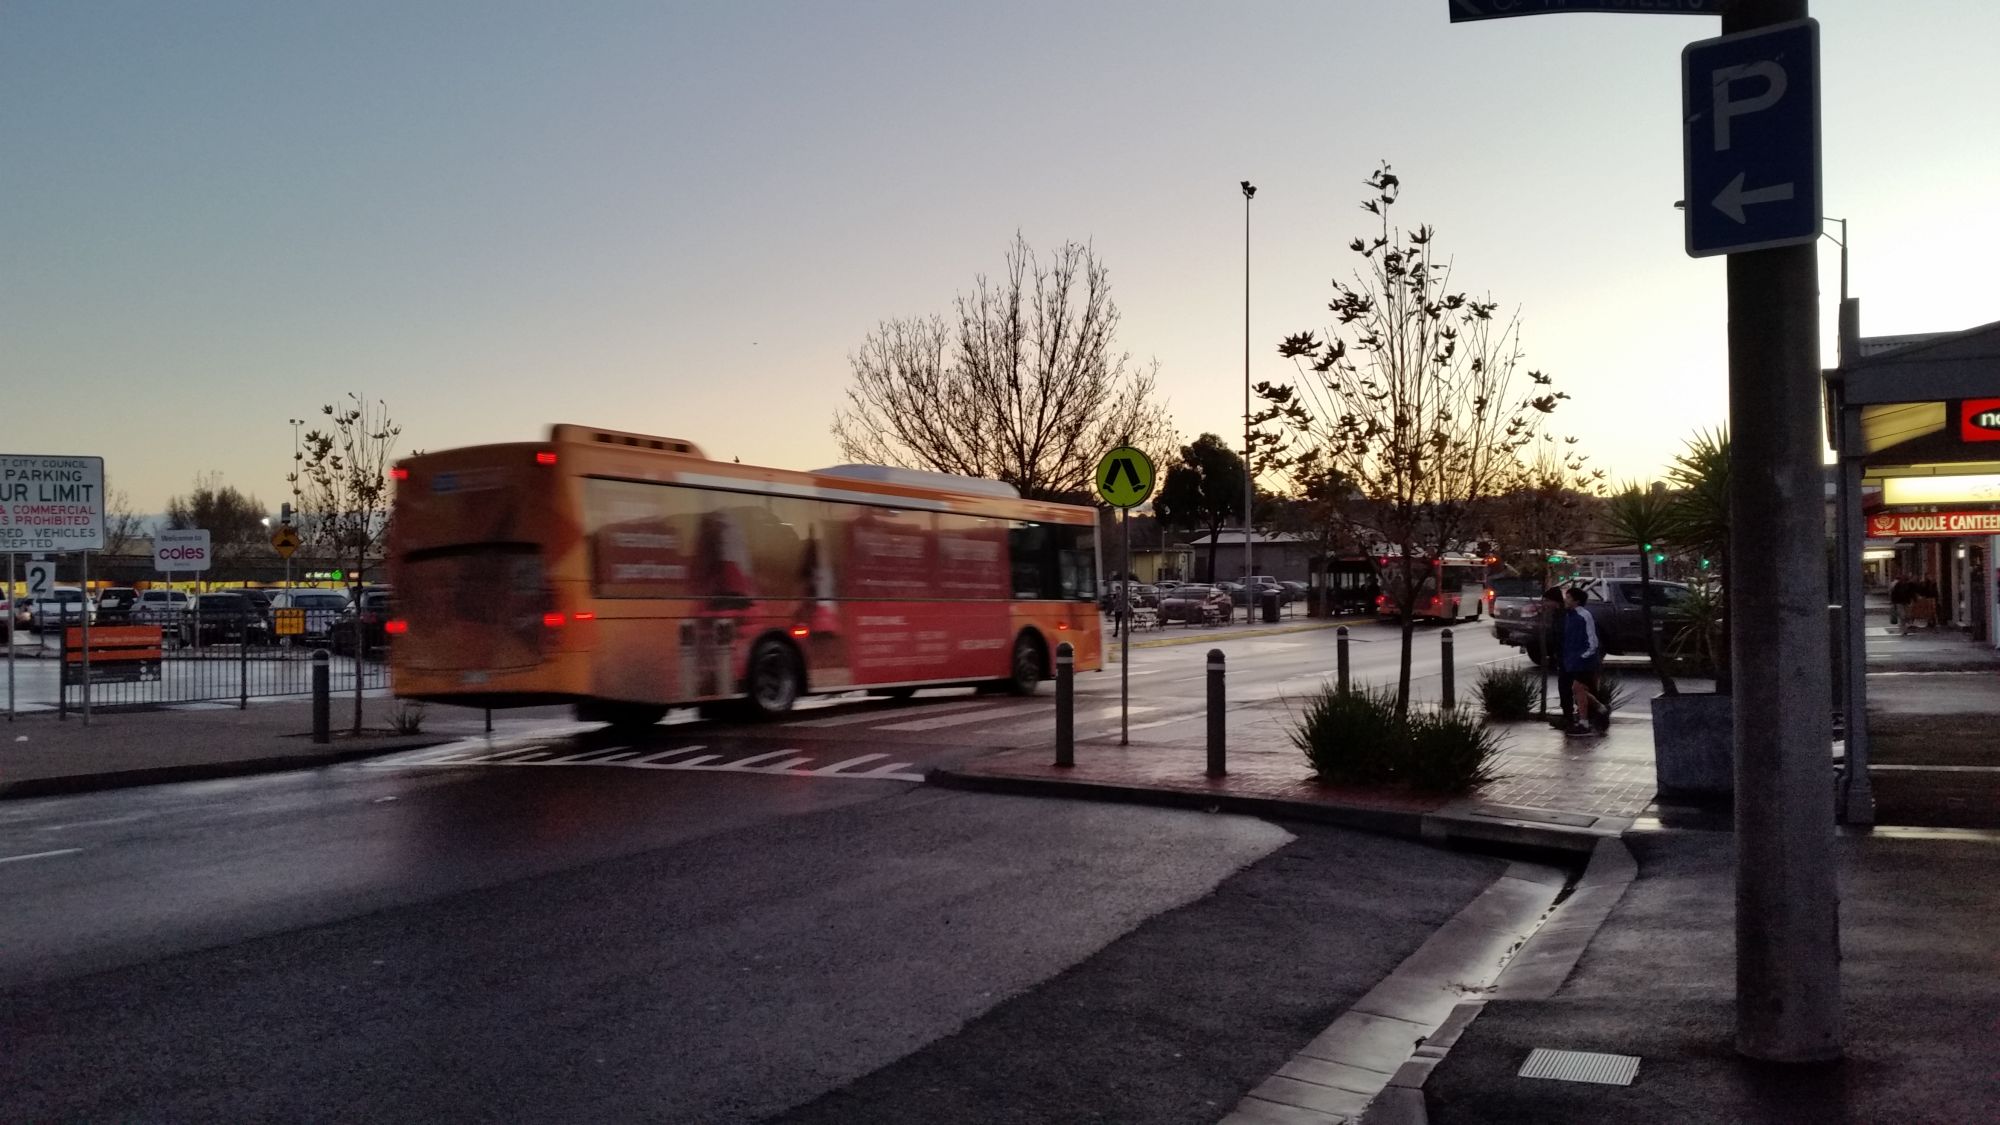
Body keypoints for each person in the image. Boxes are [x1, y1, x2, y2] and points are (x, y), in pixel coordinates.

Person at [1563, 586, 1607, 736]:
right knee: (1580, 690)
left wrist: (1585, 655)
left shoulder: (1584, 615)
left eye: (1568, 597)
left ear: (1576, 600)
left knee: (1577, 688)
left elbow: (1592, 639)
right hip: (1574, 660)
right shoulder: (1569, 616)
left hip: (1585, 660)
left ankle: (1584, 722)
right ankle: (1600, 708)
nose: (1566, 600)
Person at [1540, 587, 1573, 729]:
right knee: (1565, 686)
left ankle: (1570, 717)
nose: (1545, 604)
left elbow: (1564, 636)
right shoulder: (1556, 615)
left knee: (1568, 687)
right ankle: (1568, 715)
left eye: (1547, 601)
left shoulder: (1564, 616)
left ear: (1555, 601)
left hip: (1568, 657)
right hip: (1562, 656)